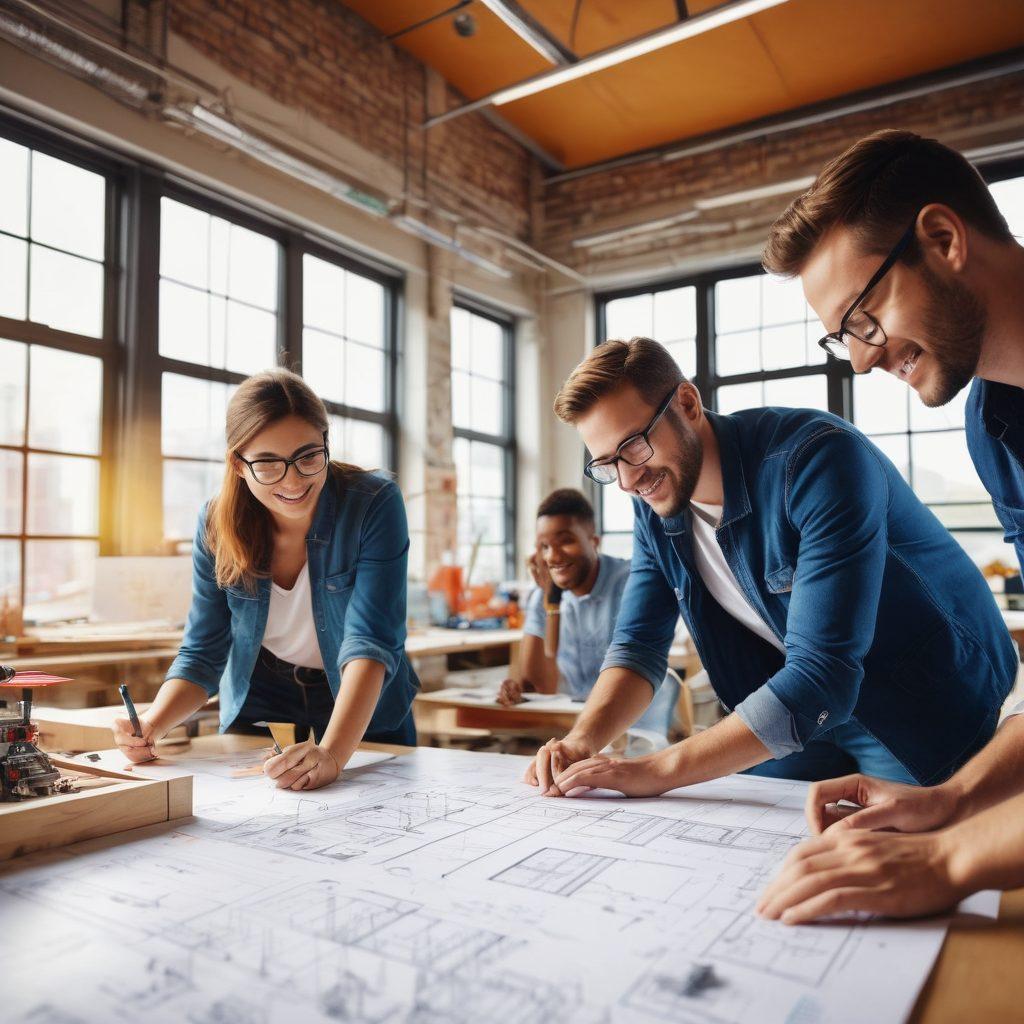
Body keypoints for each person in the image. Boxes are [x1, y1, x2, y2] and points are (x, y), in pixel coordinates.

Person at [525, 337, 1016, 801]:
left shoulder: (815, 458)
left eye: (634, 446)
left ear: (688, 405)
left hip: (916, 705)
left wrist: (656, 769)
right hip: (799, 710)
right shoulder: (655, 503)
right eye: (608, 465)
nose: (629, 480)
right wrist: (582, 740)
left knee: (902, 866)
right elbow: (637, 647)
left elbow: (823, 671)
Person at [756, 128, 1024, 922]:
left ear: (942, 239)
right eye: (843, 337)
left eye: (863, 318)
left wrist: (953, 857)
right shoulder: (995, 425)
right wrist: (951, 800)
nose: (863, 360)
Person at [112, 369, 419, 791]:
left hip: (358, 698)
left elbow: (372, 640)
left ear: (326, 443)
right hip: (263, 695)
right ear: (238, 464)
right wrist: (151, 723)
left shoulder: (373, 503)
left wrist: (331, 754)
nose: (293, 481)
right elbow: (203, 651)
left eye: (308, 456)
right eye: (269, 464)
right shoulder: (215, 524)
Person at [496, 488, 678, 741]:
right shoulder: (544, 596)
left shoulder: (631, 583)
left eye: (566, 541)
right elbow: (540, 689)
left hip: (639, 729)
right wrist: (551, 599)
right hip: (579, 730)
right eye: (544, 546)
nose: (553, 556)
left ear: (593, 542)